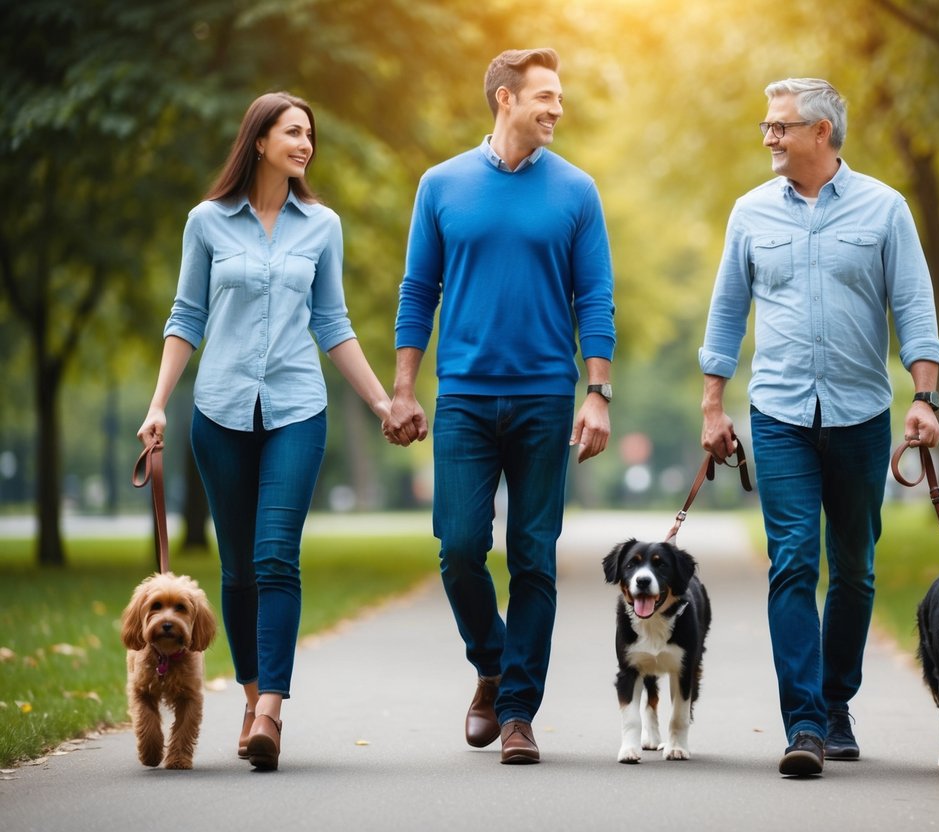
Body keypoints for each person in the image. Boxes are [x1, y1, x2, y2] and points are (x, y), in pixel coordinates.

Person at [137, 92, 393, 771]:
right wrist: (159, 403)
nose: (305, 143)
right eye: (292, 132)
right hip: (218, 409)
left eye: (310, 133)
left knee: (277, 555)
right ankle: (251, 701)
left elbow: (333, 323)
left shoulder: (322, 226)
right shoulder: (207, 222)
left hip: (296, 410)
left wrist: (379, 403)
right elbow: (185, 315)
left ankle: (270, 712)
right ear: (258, 141)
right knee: (239, 567)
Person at [699, 78, 939, 777]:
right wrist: (713, 407)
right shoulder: (749, 213)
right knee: (794, 561)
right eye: (766, 126)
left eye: (781, 126)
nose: (768, 137)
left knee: (855, 570)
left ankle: (837, 702)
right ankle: (803, 723)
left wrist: (924, 399)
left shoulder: (885, 209)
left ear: (822, 133)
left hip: (861, 415)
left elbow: (915, 311)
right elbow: (724, 316)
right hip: (778, 416)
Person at [384, 48, 616, 764]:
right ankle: (491, 661)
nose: (555, 108)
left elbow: (595, 298)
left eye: (559, 98)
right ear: (504, 99)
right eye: (544, 96)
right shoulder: (441, 185)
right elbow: (418, 289)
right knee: (458, 547)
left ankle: (517, 711)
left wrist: (597, 393)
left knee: (533, 559)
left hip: (546, 396)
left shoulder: (576, 191)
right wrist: (402, 386)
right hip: (463, 397)